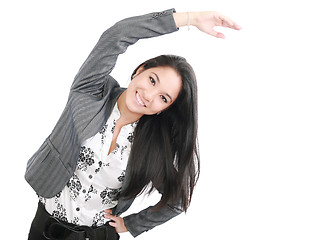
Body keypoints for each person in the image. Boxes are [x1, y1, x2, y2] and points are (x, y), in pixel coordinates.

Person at [25, 8, 241, 240]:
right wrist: (190, 19)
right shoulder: (89, 92)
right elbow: (118, 35)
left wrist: (131, 224)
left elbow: (177, 201)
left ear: (164, 109)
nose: (149, 96)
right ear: (140, 70)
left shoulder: (152, 146)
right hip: (46, 228)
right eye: (152, 80)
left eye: (163, 98)